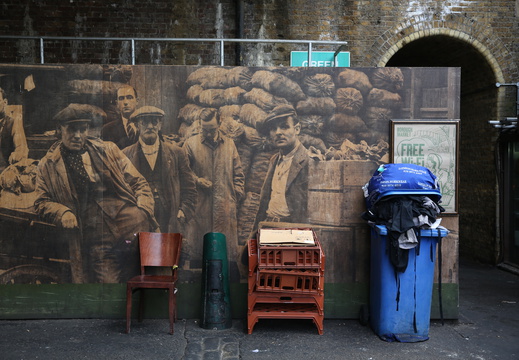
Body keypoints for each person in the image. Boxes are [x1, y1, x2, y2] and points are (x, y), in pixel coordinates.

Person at [34, 103, 157, 284]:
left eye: (82, 130)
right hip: (96, 238)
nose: (77, 136)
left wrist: (144, 208)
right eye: (71, 130)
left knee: (144, 279)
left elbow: (138, 181)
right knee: (108, 285)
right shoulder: (47, 165)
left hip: (130, 225)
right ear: (60, 130)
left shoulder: (108, 150)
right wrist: (62, 212)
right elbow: (41, 201)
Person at [183, 108, 245, 270]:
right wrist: (198, 180)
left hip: (225, 209)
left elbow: (239, 174)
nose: (208, 134)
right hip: (200, 209)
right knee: (200, 256)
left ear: (220, 123)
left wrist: (234, 196)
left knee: (226, 258)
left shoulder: (229, 144)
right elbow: (181, 172)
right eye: (204, 129)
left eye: (212, 130)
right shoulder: (191, 144)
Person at [123, 106, 197, 233]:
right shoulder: (125, 155)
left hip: (170, 217)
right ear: (137, 125)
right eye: (144, 122)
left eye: (154, 122)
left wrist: (184, 211)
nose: (150, 126)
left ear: (160, 125)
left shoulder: (176, 153)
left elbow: (189, 187)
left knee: (169, 251)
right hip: (141, 218)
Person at [251, 104, 311, 232]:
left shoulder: (308, 161)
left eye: (284, 126)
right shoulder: (274, 160)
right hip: (268, 224)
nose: (278, 133)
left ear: (297, 129)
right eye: (273, 129)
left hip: (292, 229)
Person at [101, 84, 139, 149]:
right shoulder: (107, 130)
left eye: (129, 97)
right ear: (117, 104)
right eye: (121, 98)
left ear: (137, 101)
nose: (125, 102)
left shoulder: (146, 125)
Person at [0, 87, 29, 172]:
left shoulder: (13, 123)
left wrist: (16, 155)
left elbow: (21, 148)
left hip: (4, 175)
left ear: (5, 102)